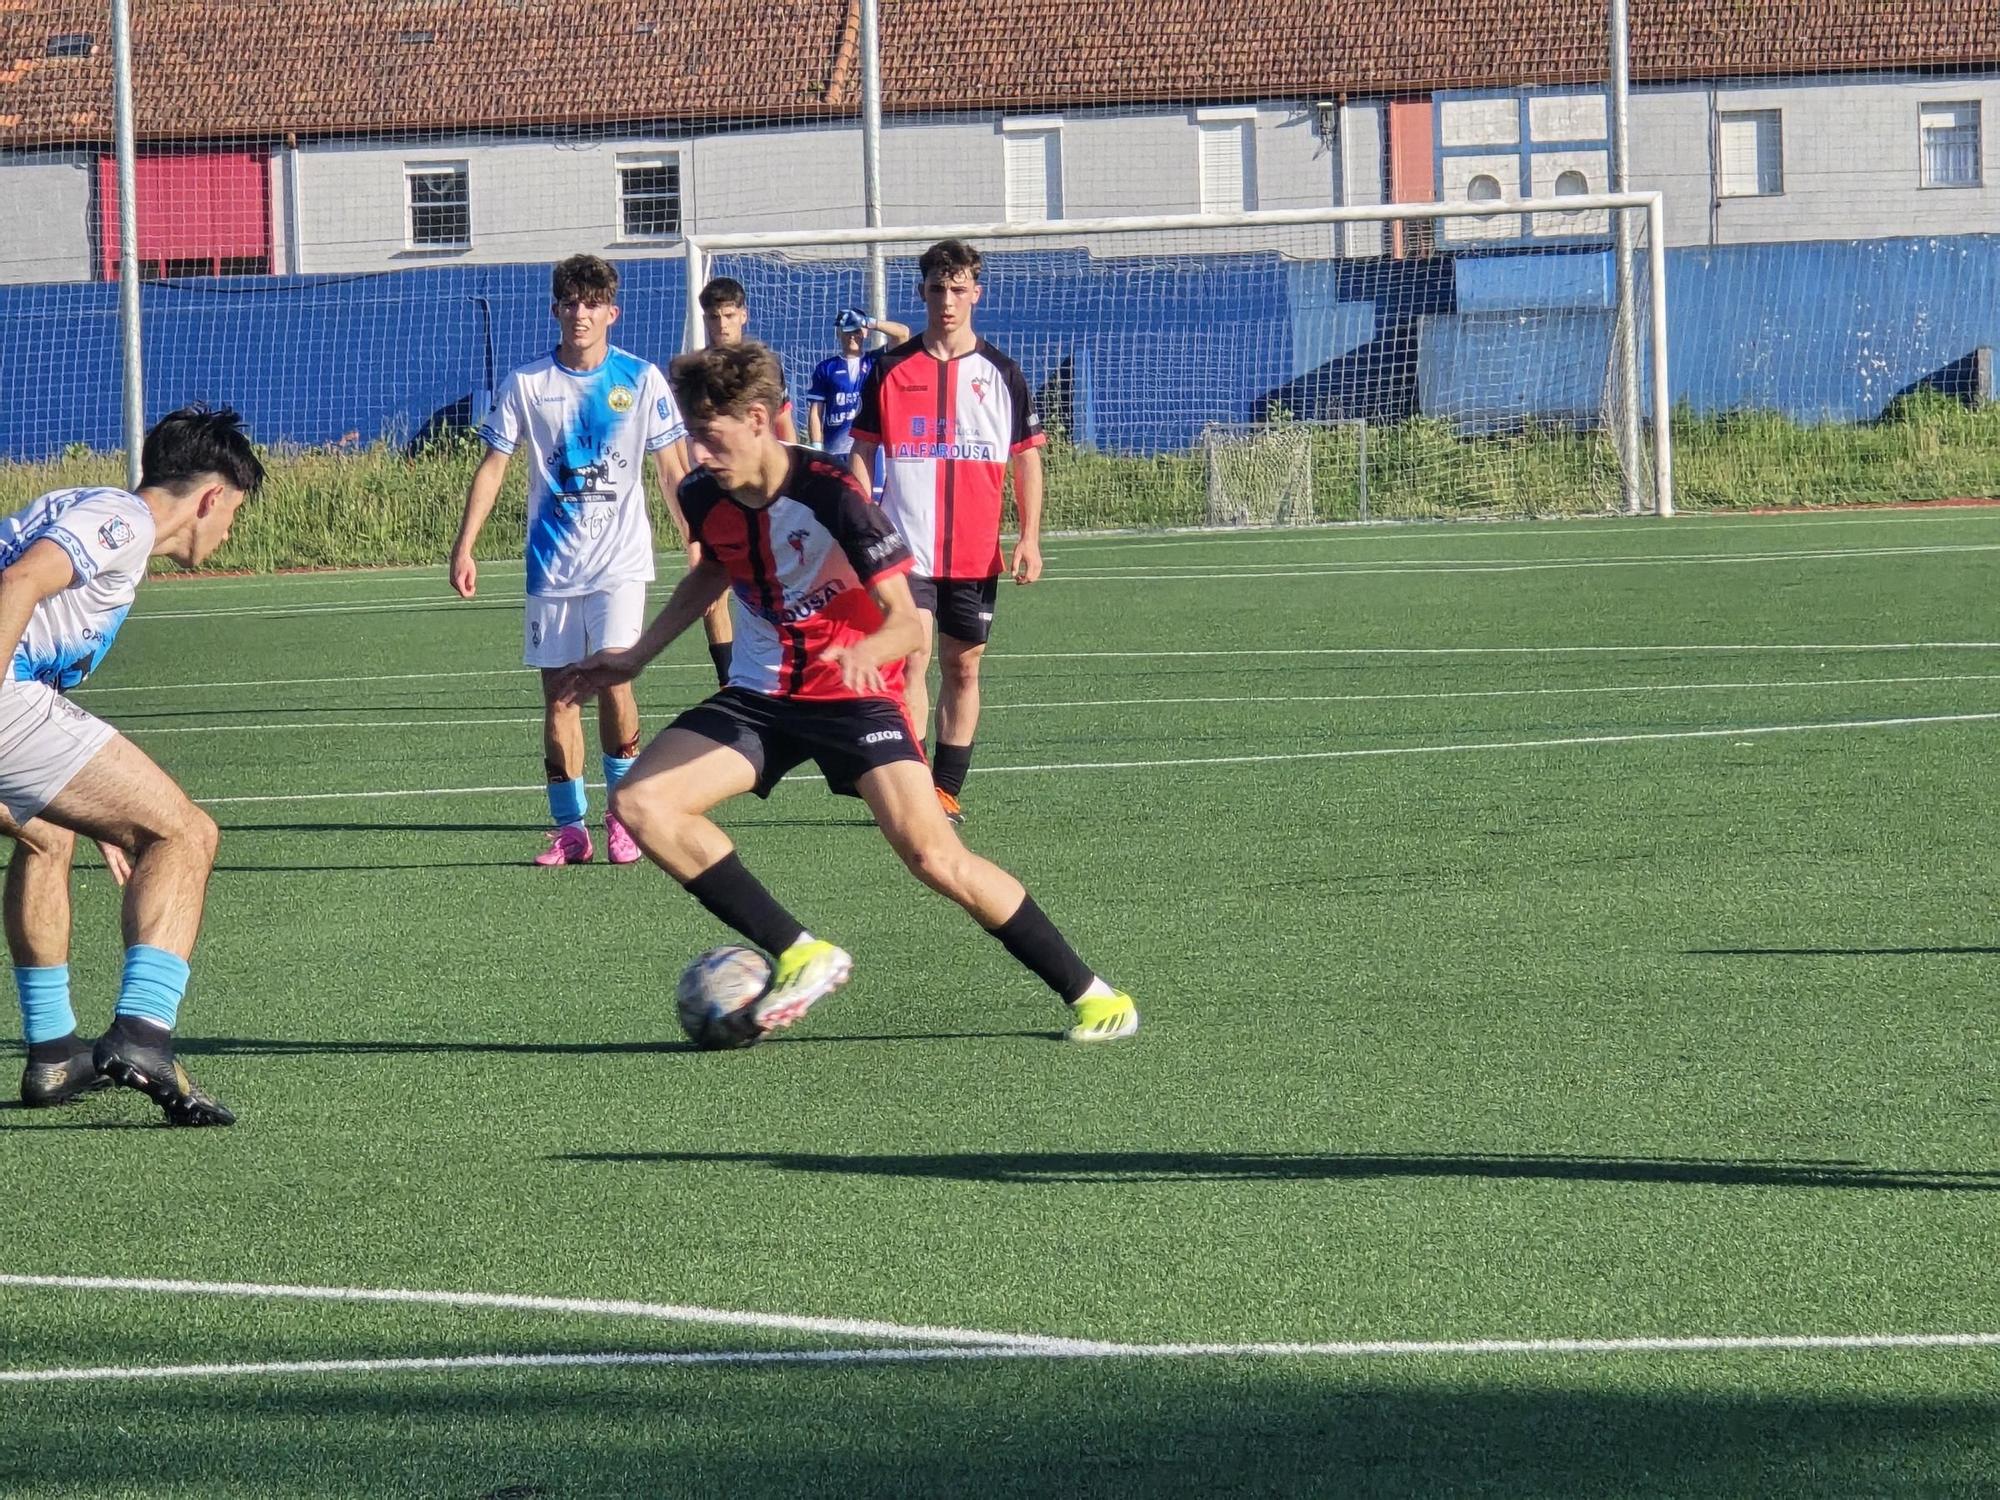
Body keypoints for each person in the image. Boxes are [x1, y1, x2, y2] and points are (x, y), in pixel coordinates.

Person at [559, 342, 1138, 1044]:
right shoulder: (702, 493)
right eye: (692, 434)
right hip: (762, 695)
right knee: (642, 803)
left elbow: (906, 626)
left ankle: (1096, 995)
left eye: (711, 436)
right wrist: (638, 657)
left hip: (855, 698)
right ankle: (802, 950)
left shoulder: (833, 492)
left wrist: (870, 649)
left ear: (761, 420)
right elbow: (715, 567)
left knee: (935, 858)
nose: (699, 453)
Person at [1, 405, 263, 1123]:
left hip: (16, 701)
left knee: (47, 833)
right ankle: (145, 1033)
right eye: (234, 512)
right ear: (211, 497)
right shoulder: (124, 519)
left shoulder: (100, 518)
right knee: (186, 834)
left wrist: (92, 806)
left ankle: (55, 1052)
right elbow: (18, 583)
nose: (230, 530)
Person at [451, 254, 688, 867]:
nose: (580, 314)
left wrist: (697, 536)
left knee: (614, 682)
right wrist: (466, 544)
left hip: (620, 565)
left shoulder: (641, 380)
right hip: (551, 567)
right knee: (558, 698)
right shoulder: (528, 384)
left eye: (592, 303)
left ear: (612, 311)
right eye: (570, 302)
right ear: (555, 309)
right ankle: (570, 829)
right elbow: (496, 465)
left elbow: (671, 470)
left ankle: (623, 815)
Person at [847, 239, 1044, 827]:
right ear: (923, 292)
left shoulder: (1002, 372)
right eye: (938, 288)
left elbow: (1026, 458)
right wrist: (861, 527)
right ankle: (911, 790)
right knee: (913, 660)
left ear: (976, 294)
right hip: (905, 550)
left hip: (976, 553)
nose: (948, 300)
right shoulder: (889, 368)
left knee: (964, 667)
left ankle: (945, 790)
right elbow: (862, 453)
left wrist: (1029, 537)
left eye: (960, 289)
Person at [808, 307, 911, 474]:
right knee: (839, 499)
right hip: (835, 451)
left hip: (870, 448)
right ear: (838, 334)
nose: (852, 336)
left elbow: (903, 335)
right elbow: (815, 412)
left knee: (869, 498)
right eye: (846, 331)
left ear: (865, 333)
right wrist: (817, 449)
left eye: (856, 330)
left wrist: (869, 322)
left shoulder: (875, 360)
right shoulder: (825, 368)